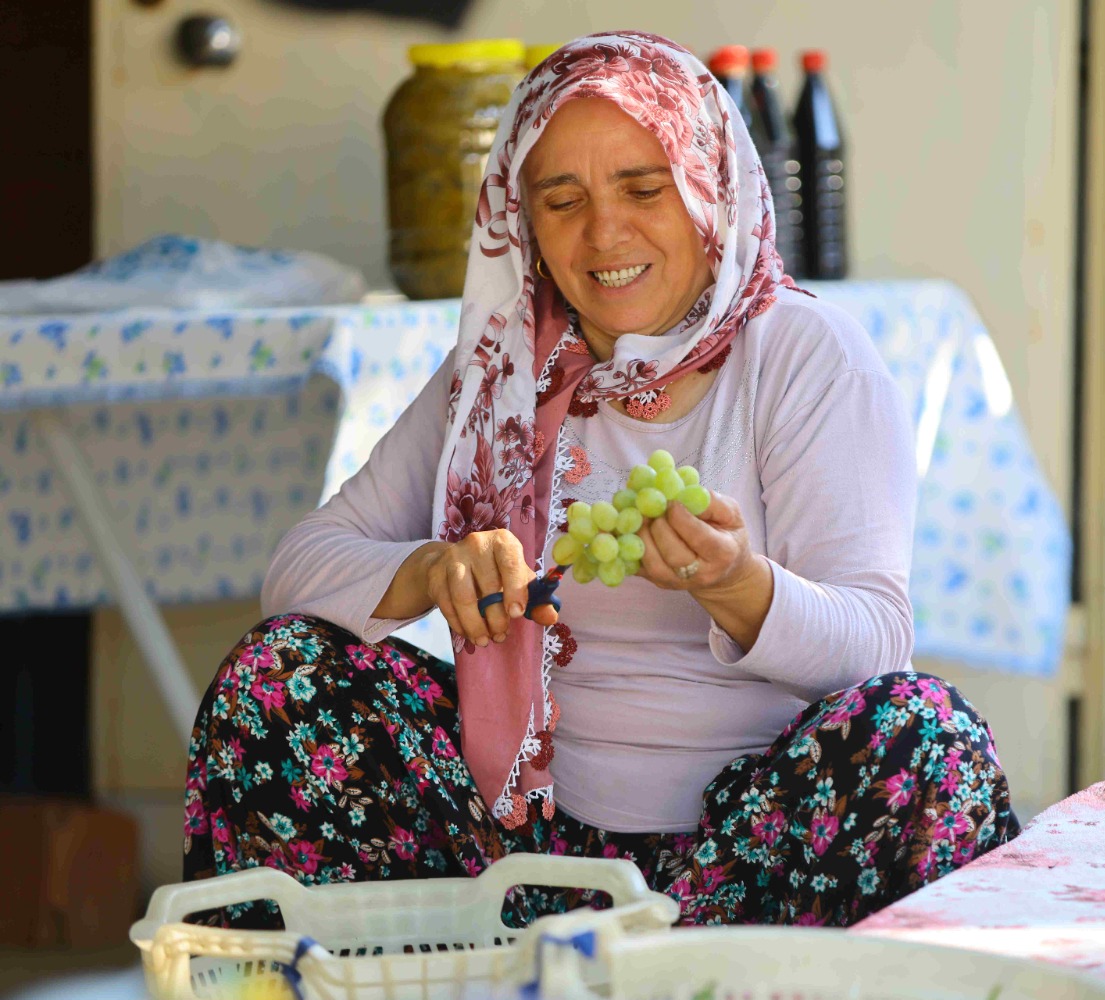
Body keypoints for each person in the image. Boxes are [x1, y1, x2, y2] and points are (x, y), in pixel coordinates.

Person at [182, 30, 1019, 926]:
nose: (605, 232)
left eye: (644, 189)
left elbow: (876, 645)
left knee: (926, 735)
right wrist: (431, 569)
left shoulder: (807, 357)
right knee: (277, 677)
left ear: (708, 189)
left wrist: (736, 586)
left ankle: (698, 975)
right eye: (563, 199)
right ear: (526, 223)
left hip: (750, 857)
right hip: (518, 850)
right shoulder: (501, 376)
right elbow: (298, 571)